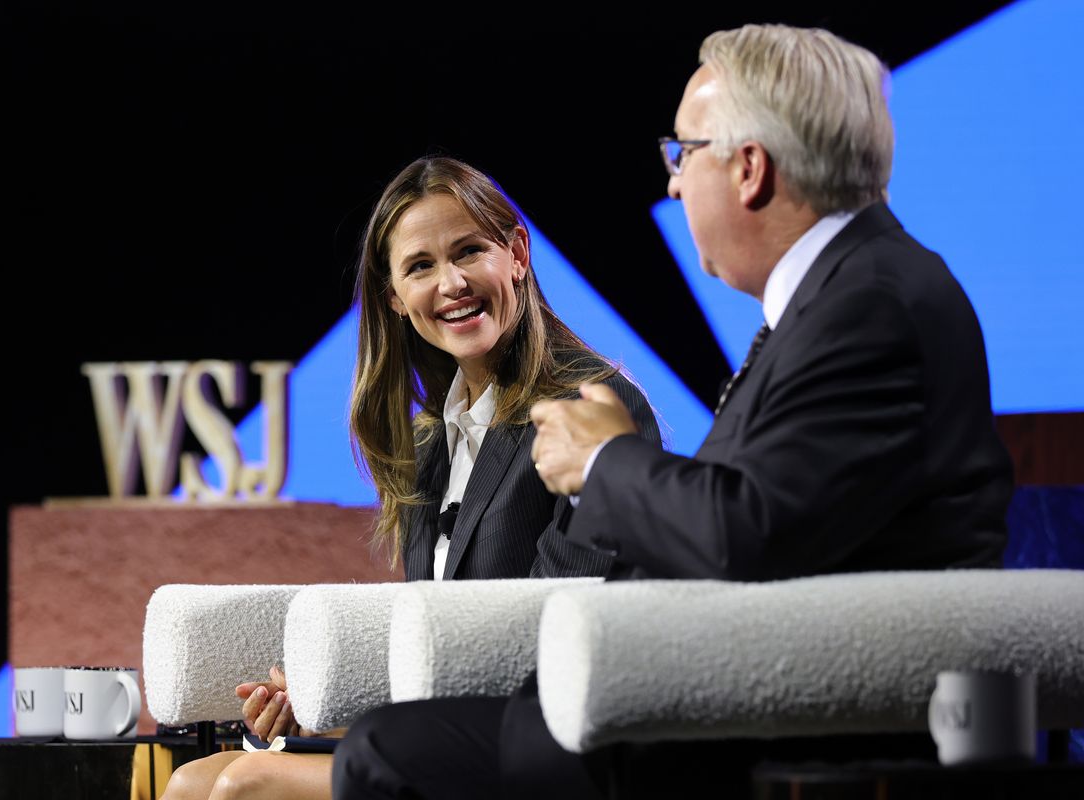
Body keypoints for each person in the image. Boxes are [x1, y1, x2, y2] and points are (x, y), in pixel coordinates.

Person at [332, 25, 1014, 799]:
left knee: (383, 755)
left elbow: (747, 533)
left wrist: (603, 460)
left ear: (749, 169)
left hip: (766, 719)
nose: (674, 186)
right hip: (720, 689)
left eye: (683, 155)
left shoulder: (868, 306)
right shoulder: (843, 298)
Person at [160, 156, 660, 800]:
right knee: (193, 781)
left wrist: (351, 692)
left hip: (553, 742)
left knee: (247, 783)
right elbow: (436, 649)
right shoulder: (431, 442)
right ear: (395, 297)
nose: (450, 283)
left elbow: (558, 639)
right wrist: (320, 694)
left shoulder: (588, 409)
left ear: (517, 252)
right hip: (460, 729)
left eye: (469, 251)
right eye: (421, 266)